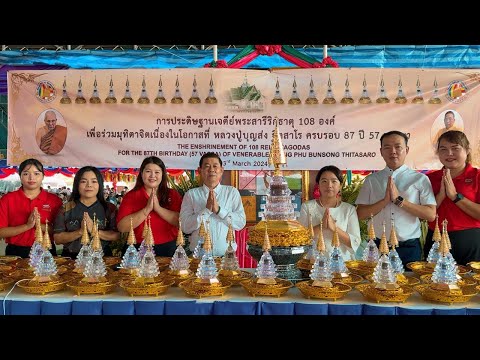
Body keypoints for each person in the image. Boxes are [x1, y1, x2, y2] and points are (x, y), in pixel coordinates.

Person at [356, 130, 436, 266]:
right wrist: (384, 201)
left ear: (407, 150)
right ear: (381, 151)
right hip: (377, 245)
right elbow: (360, 214)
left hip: (409, 247)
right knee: (378, 285)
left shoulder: (420, 179)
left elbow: (430, 215)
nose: (393, 151)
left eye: (398, 147)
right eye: (387, 147)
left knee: (409, 285)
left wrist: (399, 200)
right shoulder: (371, 180)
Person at [423, 131, 480, 265]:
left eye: (455, 148)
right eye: (443, 149)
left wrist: (455, 197)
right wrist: (441, 196)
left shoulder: (477, 176)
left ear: (467, 151)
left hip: (470, 240)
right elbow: (423, 216)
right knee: (435, 284)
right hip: (436, 240)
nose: (449, 153)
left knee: (471, 284)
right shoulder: (429, 179)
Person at [180, 152, 246, 257]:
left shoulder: (231, 192)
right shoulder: (191, 194)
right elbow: (185, 226)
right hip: (199, 258)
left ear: (221, 170)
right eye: (207, 166)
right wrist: (206, 211)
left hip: (227, 257)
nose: (211, 170)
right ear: (199, 170)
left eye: (215, 166)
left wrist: (219, 210)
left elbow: (240, 223)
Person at [117, 156, 182, 257]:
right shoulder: (131, 196)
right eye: (148, 171)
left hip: (168, 248)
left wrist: (158, 209)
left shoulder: (172, 194)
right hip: (138, 248)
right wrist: (146, 210)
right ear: (142, 173)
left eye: (157, 172)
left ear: (162, 174)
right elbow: (122, 227)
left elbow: (180, 222)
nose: (152, 175)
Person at [0, 158, 63, 258]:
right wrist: (27, 226)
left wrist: (38, 225)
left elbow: (60, 231)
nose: (31, 177)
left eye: (36, 173)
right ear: (20, 176)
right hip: (16, 251)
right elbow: (1, 232)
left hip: (46, 249)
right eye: (26, 173)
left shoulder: (54, 200)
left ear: (43, 176)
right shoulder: (7, 199)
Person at [53, 166, 120, 259]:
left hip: (102, 259)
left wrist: (94, 230)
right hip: (72, 259)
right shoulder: (65, 208)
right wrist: (80, 232)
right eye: (83, 181)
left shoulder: (109, 208)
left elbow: (116, 236)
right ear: (77, 184)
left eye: (94, 181)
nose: (89, 185)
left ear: (100, 184)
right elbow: (58, 239)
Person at [299, 165, 361, 260]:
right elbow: (300, 238)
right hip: (313, 264)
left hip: (341, 265)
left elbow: (355, 242)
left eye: (334, 181)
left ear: (340, 186)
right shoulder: (307, 207)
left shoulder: (349, 209)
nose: (329, 185)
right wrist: (322, 225)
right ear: (318, 185)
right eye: (324, 181)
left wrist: (334, 228)